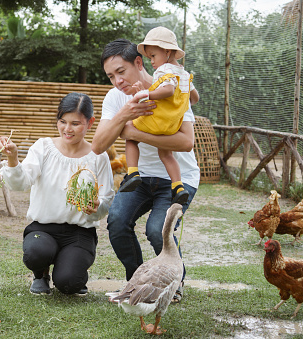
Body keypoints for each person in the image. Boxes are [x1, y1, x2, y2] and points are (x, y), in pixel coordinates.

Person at [91, 37, 200, 303]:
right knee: (116, 222)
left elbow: (186, 142)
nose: (117, 81)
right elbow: (98, 145)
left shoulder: (170, 87)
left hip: (178, 178)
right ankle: (136, 284)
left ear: (139, 63)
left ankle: (174, 286)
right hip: (139, 178)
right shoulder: (115, 98)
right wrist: (125, 113)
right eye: (110, 76)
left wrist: (134, 133)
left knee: (156, 230)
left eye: (121, 72)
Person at [0, 92, 114, 296]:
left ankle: (73, 272)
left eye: (75, 124)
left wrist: (97, 206)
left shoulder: (98, 157)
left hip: (79, 232)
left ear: (90, 123)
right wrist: (14, 158)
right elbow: (21, 182)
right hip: (42, 228)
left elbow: (107, 199)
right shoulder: (43, 147)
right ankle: (41, 274)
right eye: (62, 122)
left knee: (69, 283)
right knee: (36, 252)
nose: (67, 129)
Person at [119, 26, 199, 207]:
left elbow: (168, 90)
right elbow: (194, 98)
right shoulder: (185, 75)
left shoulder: (163, 71)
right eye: (149, 58)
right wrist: (180, 103)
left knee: (131, 134)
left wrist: (145, 94)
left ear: (167, 51)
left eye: (153, 56)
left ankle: (132, 173)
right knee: (166, 153)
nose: (152, 62)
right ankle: (178, 186)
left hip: (158, 120)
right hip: (173, 125)